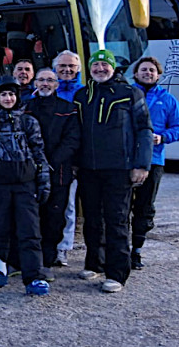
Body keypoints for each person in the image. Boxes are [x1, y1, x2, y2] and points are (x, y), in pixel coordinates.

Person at [73, 49, 153, 293]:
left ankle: (117, 273)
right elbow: (75, 132)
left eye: (104, 65)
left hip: (119, 168)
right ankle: (94, 262)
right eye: (95, 65)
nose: (100, 69)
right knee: (92, 219)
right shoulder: (81, 95)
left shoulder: (129, 93)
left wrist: (142, 164)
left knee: (117, 220)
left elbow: (144, 130)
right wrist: (75, 161)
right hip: (88, 168)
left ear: (113, 68)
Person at [0, 75, 51, 296]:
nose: (8, 98)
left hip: (25, 184)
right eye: (4, 94)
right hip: (0, 184)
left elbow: (39, 153)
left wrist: (43, 182)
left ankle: (33, 276)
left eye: (11, 94)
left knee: (30, 230)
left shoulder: (28, 122)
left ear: (17, 96)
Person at [130, 56, 179, 270]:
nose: (148, 73)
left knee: (144, 207)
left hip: (153, 160)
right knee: (120, 207)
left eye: (152, 70)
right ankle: (118, 249)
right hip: (126, 159)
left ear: (158, 75)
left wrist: (162, 137)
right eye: (144, 70)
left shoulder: (168, 99)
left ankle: (136, 250)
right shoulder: (128, 95)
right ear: (135, 73)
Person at [24, 68, 80, 269]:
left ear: (57, 84)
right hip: (29, 172)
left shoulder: (68, 108)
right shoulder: (26, 108)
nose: (45, 84)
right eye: (41, 80)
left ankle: (49, 258)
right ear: (35, 84)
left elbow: (73, 140)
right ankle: (32, 259)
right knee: (32, 216)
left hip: (59, 172)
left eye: (50, 80)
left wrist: (51, 160)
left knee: (55, 217)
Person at [53, 49, 85, 266]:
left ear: (78, 70)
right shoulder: (45, 90)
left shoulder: (84, 93)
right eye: (62, 66)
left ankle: (63, 247)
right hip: (49, 158)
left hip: (74, 159)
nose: (66, 70)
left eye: (71, 67)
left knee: (69, 206)